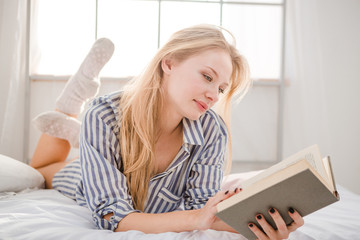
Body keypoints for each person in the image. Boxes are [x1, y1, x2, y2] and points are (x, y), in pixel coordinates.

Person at [30, 25, 304, 239]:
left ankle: (84, 137)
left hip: (111, 142)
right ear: (169, 63)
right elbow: (112, 216)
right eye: (207, 77)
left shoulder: (211, 130)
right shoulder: (104, 114)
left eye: (221, 88)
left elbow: (203, 208)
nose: (213, 95)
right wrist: (195, 218)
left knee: (85, 145)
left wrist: (259, 227)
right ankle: (74, 100)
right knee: (40, 170)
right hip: (86, 176)